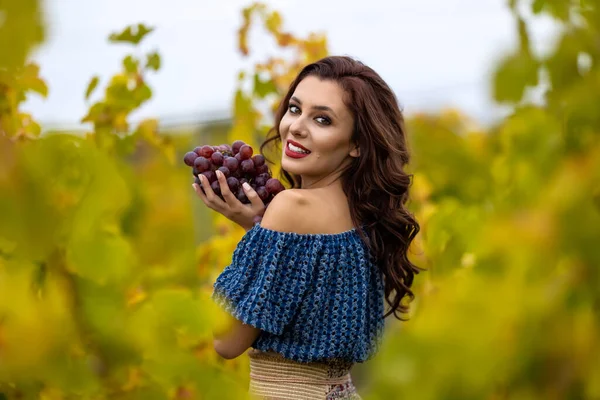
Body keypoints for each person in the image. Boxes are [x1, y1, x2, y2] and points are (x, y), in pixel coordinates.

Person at [192, 56, 421, 400]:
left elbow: (226, 341)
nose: (296, 127)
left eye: (323, 119)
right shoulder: (366, 213)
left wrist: (255, 240)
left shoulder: (289, 207)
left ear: (357, 143)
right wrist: (257, 227)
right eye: (295, 109)